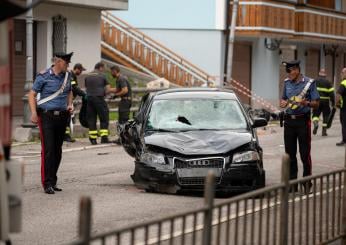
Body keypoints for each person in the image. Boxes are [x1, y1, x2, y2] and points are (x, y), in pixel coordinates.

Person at [28, 52, 74, 194]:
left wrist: (70, 104)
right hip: (47, 116)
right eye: (66, 63)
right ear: (58, 62)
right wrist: (34, 113)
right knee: (48, 151)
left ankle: (53, 181)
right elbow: (32, 94)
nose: (68, 65)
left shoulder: (68, 76)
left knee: (57, 151)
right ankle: (47, 183)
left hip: (62, 116)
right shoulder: (44, 75)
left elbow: (69, 91)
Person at [280, 60, 319, 192]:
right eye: (288, 71)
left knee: (304, 155)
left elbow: (316, 103)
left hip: (303, 122)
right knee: (290, 155)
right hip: (289, 122)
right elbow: (283, 99)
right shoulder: (286, 83)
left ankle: (307, 183)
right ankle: (292, 184)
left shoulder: (309, 83)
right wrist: (283, 103)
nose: (289, 74)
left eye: (290, 71)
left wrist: (305, 103)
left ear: (296, 70)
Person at [85, 62, 116, 145]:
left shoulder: (88, 75)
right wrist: (110, 94)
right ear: (100, 67)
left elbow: (87, 87)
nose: (104, 70)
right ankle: (104, 138)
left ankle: (93, 139)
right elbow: (107, 89)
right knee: (104, 117)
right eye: (104, 68)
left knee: (92, 119)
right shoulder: (102, 76)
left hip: (89, 99)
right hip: (99, 98)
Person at [64, 63, 87, 142]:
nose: (81, 72)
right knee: (67, 118)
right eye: (81, 70)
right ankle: (66, 136)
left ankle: (65, 135)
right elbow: (74, 87)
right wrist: (83, 94)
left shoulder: (73, 75)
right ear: (77, 69)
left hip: (68, 100)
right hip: (66, 100)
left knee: (68, 117)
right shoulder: (71, 75)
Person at [110, 66, 132, 145]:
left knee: (123, 121)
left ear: (115, 71)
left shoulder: (121, 79)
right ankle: (123, 138)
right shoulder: (119, 79)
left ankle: (125, 139)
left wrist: (115, 95)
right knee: (122, 120)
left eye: (112, 71)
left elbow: (125, 90)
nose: (111, 73)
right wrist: (108, 90)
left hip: (125, 101)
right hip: (125, 101)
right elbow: (117, 89)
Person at [312, 69, 335, 136]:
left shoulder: (315, 81)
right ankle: (324, 131)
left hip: (317, 101)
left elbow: (311, 91)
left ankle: (316, 123)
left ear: (319, 73)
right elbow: (332, 94)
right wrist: (333, 103)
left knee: (315, 115)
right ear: (325, 74)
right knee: (326, 115)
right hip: (325, 102)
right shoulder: (328, 82)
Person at [336, 68, 346, 146]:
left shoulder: (344, 83)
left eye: (342, 72)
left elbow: (338, 94)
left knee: (344, 123)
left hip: (344, 108)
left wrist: (336, 103)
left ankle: (344, 140)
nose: (341, 74)